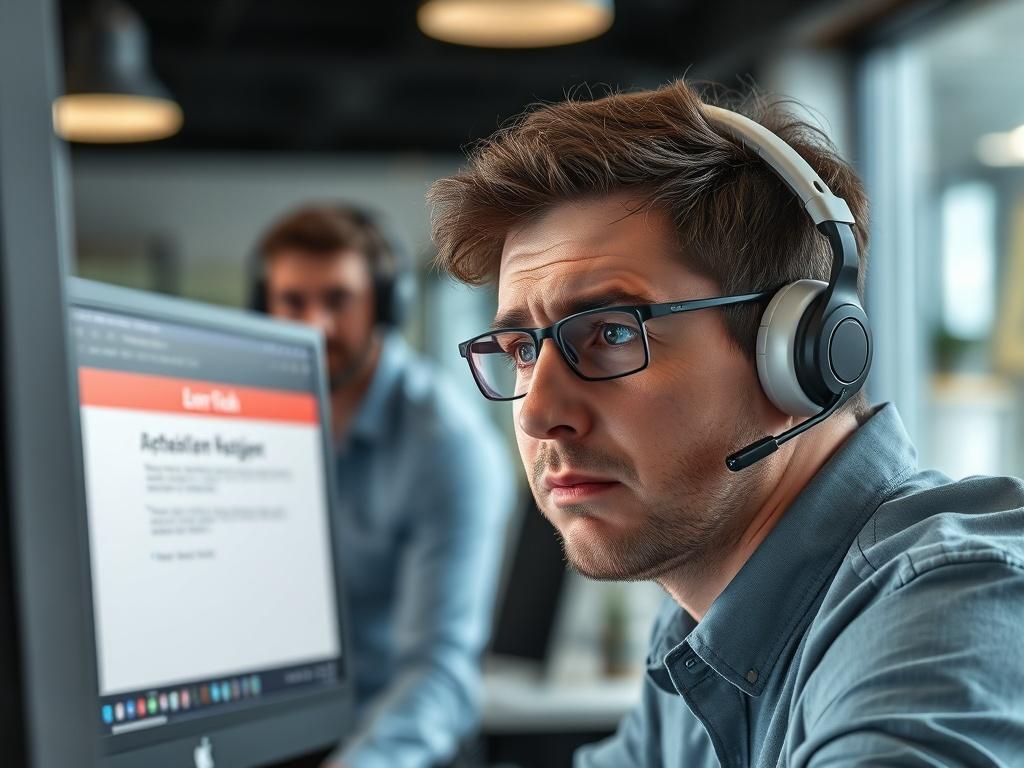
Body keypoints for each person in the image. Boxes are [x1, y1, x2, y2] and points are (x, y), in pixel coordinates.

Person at [426, 81, 1024, 767]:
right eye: (522, 351)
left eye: (612, 333)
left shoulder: (952, 603)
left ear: (801, 352)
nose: (536, 412)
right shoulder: (708, 615)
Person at [251, 204, 514, 768]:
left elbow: (439, 671)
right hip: (287, 736)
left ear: (383, 303)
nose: (314, 325)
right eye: (293, 302)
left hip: (395, 749)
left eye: (337, 300)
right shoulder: (259, 421)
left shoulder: (448, 445)